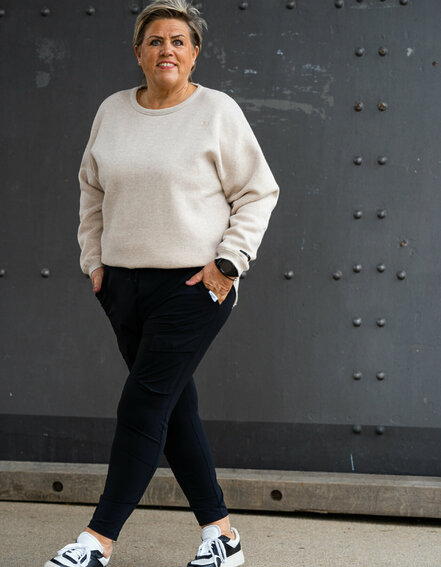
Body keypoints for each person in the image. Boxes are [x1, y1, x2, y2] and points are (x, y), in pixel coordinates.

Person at [44, 1, 279, 566]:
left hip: (194, 287)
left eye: (178, 40)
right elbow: (92, 190)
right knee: (174, 411)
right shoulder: (112, 111)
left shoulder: (217, 111)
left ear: (194, 53)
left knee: (143, 406)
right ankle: (222, 536)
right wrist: (94, 264)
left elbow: (258, 191)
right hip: (122, 288)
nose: (166, 49)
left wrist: (228, 265)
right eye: (155, 40)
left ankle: (96, 542)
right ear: (138, 53)